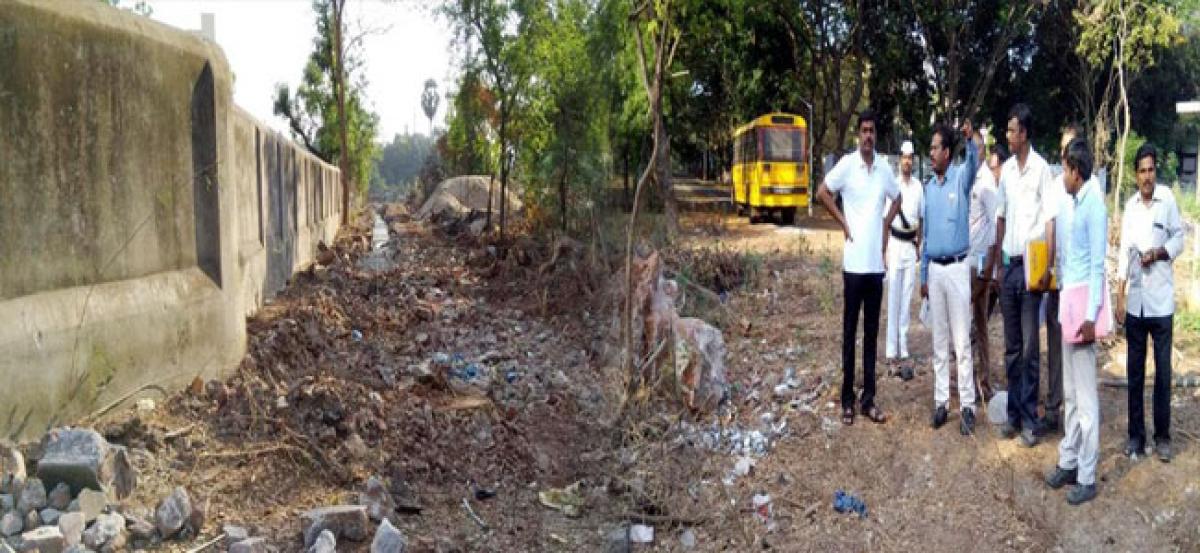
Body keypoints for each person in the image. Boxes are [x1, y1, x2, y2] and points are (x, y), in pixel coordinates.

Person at [816, 109, 902, 426]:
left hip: (875, 267)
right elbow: (822, 192)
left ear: (876, 136)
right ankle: (847, 401)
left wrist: (884, 226)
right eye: (864, 131)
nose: (868, 136)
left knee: (870, 335)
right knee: (849, 333)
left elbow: (898, 198)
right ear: (858, 135)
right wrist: (843, 222)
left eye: (873, 131)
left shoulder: (883, 169)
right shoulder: (848, 166)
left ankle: (869, 400)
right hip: (853, 266)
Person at [1043, 137, 1107, 505]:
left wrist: (1089, 316)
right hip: (1069, 302)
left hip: (1083, 308)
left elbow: (1097, 266)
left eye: (1065, 169)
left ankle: (1087, 473)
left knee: (1085, 398)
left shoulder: (1094, 207)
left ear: (1076, 172)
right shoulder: (1072, 204)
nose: (1061, 175)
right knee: (1069, 392)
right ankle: (1069, 459)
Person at [993, 103, 1057, 447]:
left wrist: (1047, 267)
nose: (1008, 135)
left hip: (1033, 268)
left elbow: (1050, 220)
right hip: (1011, 266)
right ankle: (1015, 415)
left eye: (1012, 130)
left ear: (1025, 134)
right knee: (1012, 347)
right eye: (1007, 129)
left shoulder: (1042, 170)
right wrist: (1000, 264)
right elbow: (1001, 216)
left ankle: (1032, 421)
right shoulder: (1005, 171)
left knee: (1031, 348)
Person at [1117, 143, 1184, 462]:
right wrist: (1119, 294)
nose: (1147, 176)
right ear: (1135, 175)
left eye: (1151, 170)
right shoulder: (1129, 207)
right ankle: (1135, 436)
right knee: (1134, 373)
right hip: (1136, 303)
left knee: (1162, 374)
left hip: (1160, 304)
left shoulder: (1167, 199)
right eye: (1142, 171)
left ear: (1156, 171)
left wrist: (1159, 253)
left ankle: (1162, 437)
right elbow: (1122, 254)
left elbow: (1180, 238)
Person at [920, 121, 980, 434]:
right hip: (936, 271)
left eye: (934, 148)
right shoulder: (928, 188)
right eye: (929, 149)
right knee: (939, 341)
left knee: (961, 341)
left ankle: (968, 406)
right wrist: (923, 275)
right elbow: (926, 235)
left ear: (947, 152)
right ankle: (942, 402)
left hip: (957, 268)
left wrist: (970, 141)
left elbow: (975, 161)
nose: (930, 153)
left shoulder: (960, 178)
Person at [1041, 124, 1089, 435]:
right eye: (1062, 149)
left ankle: (1080, 421)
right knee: (1056, 347)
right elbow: (1050, 229)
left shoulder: (1088, 195)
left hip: (1079, 287)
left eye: (1069, 147)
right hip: (1057, 283)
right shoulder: (1056, 187)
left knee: (1077, 354)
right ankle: (1054, 406)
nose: (1064, 154)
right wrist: (1047, 268)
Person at [969, 142, 1004, 401]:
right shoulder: (968, 177)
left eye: (977, 148)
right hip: (965, 261)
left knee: (979, 322)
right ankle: (971, 377)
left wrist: (991, 271)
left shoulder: (987, 185)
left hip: (981, 266)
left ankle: (982, 380)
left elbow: (996, 227)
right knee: (968, 322)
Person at [885, 140, 924, 368]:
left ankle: (903, 344)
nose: (907, 161)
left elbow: (921, 218)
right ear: (899, 159)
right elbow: (885, 219)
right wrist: (884, 250)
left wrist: (919, 245)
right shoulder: (893, 185)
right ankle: (891, 348)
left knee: (907, 296)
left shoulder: (918, 187)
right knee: (894, 296)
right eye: (904, 157)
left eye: (911, 157)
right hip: (895, 243)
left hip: (910, 246)